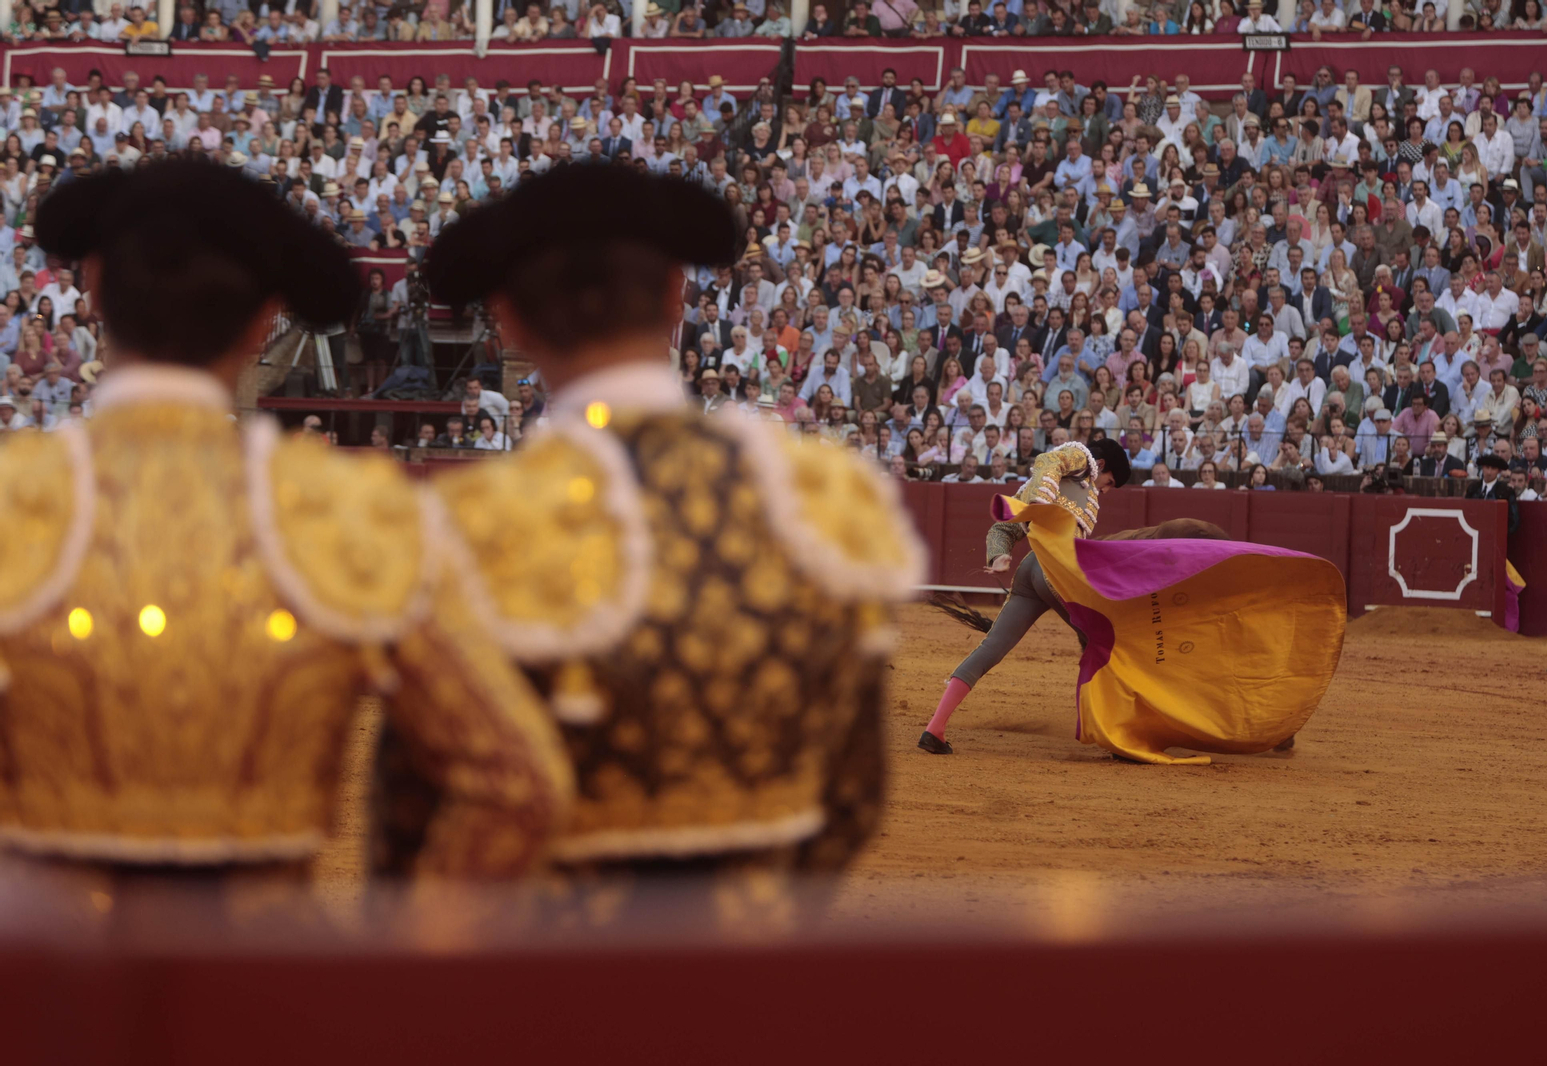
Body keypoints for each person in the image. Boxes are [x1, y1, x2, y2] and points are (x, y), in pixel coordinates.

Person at [1, 160, 571, 881]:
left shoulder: (12, 499)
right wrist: (409, 954)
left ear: (94, 285)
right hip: (272, 980)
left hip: (45, 982)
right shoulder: (352, 514)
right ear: (266, 319)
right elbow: (517, 783)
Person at [423, 165, 921, 877]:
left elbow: (425, 835)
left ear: (509, 317)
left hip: (542, 969)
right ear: (673, 296)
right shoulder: (822, 502)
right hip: (743, 959)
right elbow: (847, 802)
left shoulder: (463, 527)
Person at [922, 432, 1344, 763]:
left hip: (1031, 570)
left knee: (992, 647)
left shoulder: (1048, 487)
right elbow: (1049, 461)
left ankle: (935, 729)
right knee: (1115, 645)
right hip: (1059, 574)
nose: (1105, 490)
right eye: (1108, 482)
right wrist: (1046, 503)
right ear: (1101, 466)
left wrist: (999, 558)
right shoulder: (1078, 462)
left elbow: (1003, 529)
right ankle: (1119, 735)